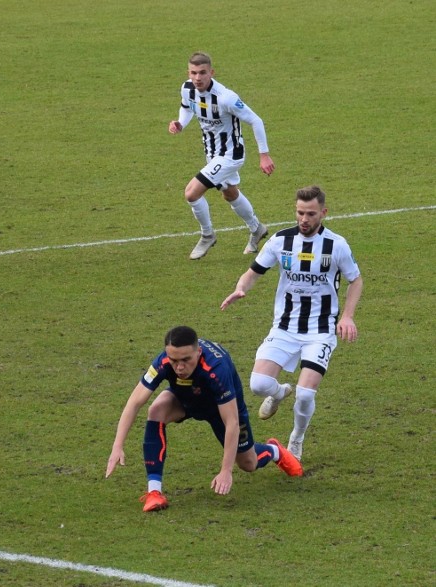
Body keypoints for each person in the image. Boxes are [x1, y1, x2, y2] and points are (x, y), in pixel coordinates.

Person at [221, 185, 363, 461]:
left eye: (311, 213)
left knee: (306, 394)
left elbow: (355, 280)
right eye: (300, 213)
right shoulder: (279, 240)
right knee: (259, 385)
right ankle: (279, 392)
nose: (304, 219)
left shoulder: (337, 245)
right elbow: (254, 271)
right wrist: (241, 288)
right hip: (285, 327)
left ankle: (296, 439)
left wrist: (347, 316)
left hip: (320, 331)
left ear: (323, 212)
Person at [106, 326, 302, 512]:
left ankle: (275, 451)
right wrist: (117, 445)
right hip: (186, 398)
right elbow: (134, 402)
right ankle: (154, 492)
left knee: (248, 464)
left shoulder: (216, 369)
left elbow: (231, 422)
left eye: (185, 360)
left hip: (222, 408)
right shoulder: (163, 362)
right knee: (156, 410)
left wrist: (226, 471)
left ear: (198, 352)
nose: (179, 367)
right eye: (174, 360)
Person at [168, 52, 275, 260]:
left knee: (191, 193)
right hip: (211, 153)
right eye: (193, 73)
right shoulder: (187, 88)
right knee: (229, 193)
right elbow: (186, 107)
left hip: (230, 154)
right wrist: (181, 123)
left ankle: (207, 235)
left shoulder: (226, 97)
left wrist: (264, 155)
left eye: (202, 73)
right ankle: (257, 229)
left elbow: (256, 120)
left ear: (211, 72)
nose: (197, 78)